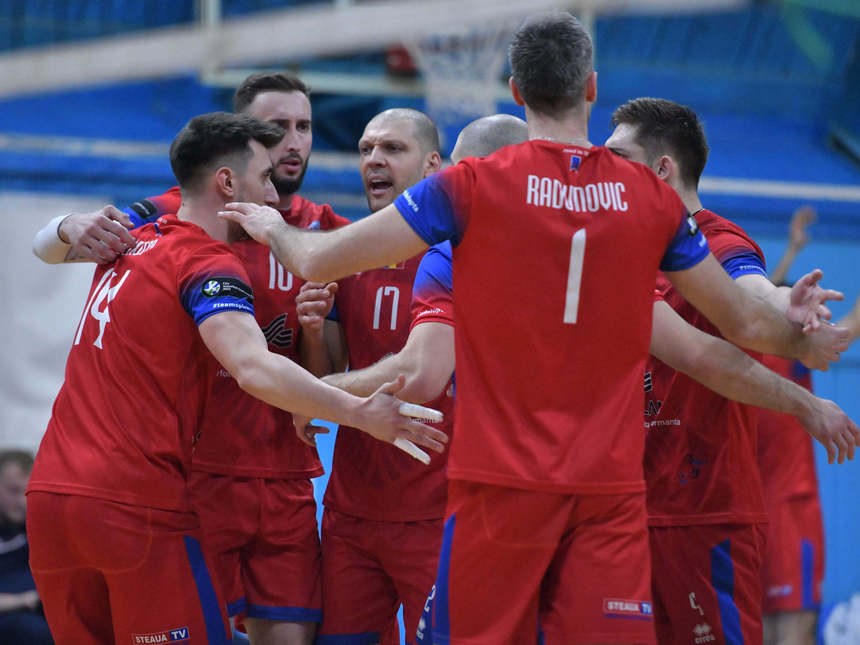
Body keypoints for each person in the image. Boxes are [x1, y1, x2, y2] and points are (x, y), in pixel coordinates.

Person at [218, 12, 854, 644]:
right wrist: (797, 334)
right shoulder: (648, 197)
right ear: (593, 88)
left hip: (499, 488)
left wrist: (271, 226)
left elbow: (316, 259)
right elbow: (739, 321)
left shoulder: (472, 184)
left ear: (516, 89)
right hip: (608, 495)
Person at [25, 112, 446, 645]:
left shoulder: (128, 244)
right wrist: (359, 413)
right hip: (139, 503)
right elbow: (252, 366)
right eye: (266, 175)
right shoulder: (206, 261)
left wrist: (65, 229)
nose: (275, 193)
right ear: (227, 182)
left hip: (51, 501)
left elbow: (55, 247)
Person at [603, 96, 852, 645]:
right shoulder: (617, 251)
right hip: (620, 511)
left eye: (617, 155)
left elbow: (750, 289)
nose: (602, 167)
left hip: (702, 513)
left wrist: (781, 306)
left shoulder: (717, 240)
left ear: (661, 168)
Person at [311, 107, 447, 645]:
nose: (373, 159)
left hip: (438, 513)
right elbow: (325, 370)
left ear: (433, 165)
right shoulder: (346, 255)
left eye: (392, 149)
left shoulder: (464, 254)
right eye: (366, 148)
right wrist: (312, 327)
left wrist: (300, 397)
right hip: (351, 513)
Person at [758, 208, 860, 645]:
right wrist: (793, 251)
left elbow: (848, 329)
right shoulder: (741, 344)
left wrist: (794, 252)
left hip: (790, 511)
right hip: (746, 514)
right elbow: (758, 299)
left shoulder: (799, 347)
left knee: (791, 636)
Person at [0, 450, 53, 645]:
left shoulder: (31, 524)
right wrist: (24, 600)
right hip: (13, 613)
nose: (23, 502)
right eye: (13, 490)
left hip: (43, 605)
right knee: (37, 633)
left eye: (28, 490)